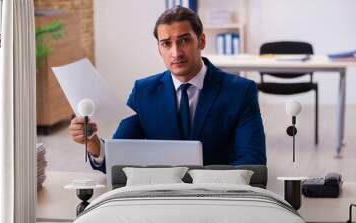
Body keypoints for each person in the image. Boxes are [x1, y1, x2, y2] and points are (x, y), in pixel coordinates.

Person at [69, 6, 266, 174]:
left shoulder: (240, 91)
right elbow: (118, 157)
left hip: (220, 198)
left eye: (184, 40)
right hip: (161, 199)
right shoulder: (143, 91)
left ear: (202, 41)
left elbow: (252, 162)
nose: (176, 53)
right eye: (166, 43)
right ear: (159, 49)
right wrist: (93, 142)